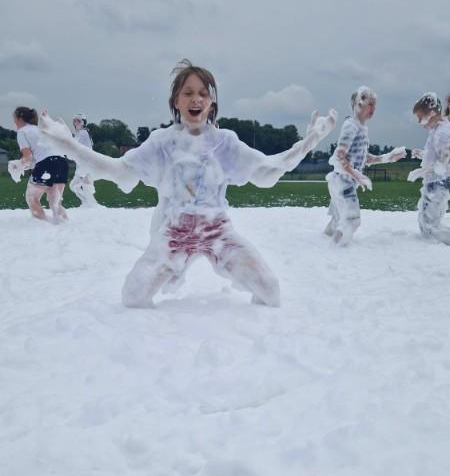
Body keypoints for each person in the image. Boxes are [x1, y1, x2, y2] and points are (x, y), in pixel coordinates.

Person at [39, 60, 337, 307]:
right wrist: (68, 145)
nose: (196, 99)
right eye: (188, 93)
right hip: (175, 233)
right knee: (133, 295)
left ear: (211, 102)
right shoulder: (162, 142)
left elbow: (267, 170)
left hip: (218, 231)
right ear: (176, 101)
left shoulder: (224, 142)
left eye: (203, 94)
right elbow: (119, 170)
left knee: (270, 290)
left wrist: (309, 142)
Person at [324, 86, 406, 244]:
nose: (373, 108)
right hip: (343, 182)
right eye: (370, 104)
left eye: (374, 104)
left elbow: (363, 158)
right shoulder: (351, 126)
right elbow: (339, 156)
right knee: (352, 220)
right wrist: (358, 176)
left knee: (337, 221)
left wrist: (388, 157)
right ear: (357, 104)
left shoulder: (361, 128)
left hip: (341, 181)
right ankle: (333, 249)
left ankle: (325, 246)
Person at [8, 106, 69, 223]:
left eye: (14, 118)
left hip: (47, 164)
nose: (14, 122)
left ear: (19, 118)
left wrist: (17, 165)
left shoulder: (22, 131)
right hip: (62, 163)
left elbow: (28, 158)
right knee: (55, 202)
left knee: (32, 198)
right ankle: (64, 224)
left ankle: (45, 224)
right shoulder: (41, 129)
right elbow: (38, 157)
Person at [408, 93, 450, 244]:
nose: (420, 122)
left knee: (429, 229)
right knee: (428, 224)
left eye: (420, 118)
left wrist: (423, 171)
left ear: (431, 112)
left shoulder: (441, 133)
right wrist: (424, 154)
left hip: (437, 185)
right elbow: (439, 155)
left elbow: (446, 158)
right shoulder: (437, 130)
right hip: (436, 183)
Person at [70, 114, 98, 206]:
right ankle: (87, 204)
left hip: (86, 164)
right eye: (74, 121)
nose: (75, 123)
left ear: (82, 122)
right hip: (82, 164)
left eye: (77, 121)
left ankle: (90, 205)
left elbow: (72, 144)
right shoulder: (81, 133)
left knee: (84, 186)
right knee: (74, 186)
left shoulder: (83, 133)